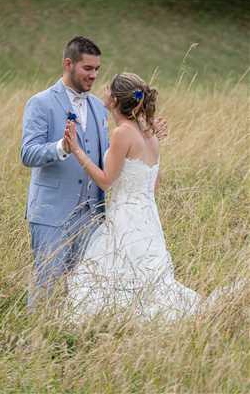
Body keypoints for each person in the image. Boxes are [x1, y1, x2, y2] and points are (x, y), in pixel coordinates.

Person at [64, 72, 245, 322]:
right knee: (145, 278)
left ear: (115, 100)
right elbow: (153, 183)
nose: (102, 89)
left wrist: (76, 150)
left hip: (125, 219)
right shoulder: (149, 136)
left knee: (119, 275)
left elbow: (106, 181)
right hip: (147, 218)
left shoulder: (122, 134)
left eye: (107, 87)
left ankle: (121, 323)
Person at [21, 37, 167, 309]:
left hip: (93, 218)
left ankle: (69, 344)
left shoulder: (100, 108)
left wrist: (147, 132)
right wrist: (61, 147)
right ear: (68, 63)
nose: (94, 75)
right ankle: (35, 343)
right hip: (52, 214)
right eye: (88, 68)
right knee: (46, 285)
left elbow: (116, 156)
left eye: (97, 69)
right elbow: (27, 153)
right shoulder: (40, 103)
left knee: (84, 291)